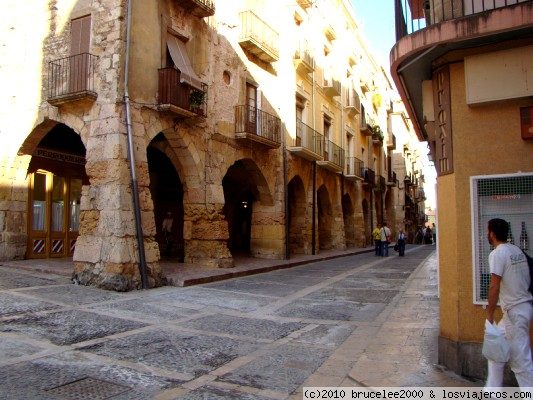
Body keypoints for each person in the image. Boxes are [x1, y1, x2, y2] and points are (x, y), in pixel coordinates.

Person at [485, 218, 533, 388]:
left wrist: (489, 314)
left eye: (487, 231)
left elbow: (494, 285)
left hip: (515, 312)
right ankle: (492, 392)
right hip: (520, 310)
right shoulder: (517, 250)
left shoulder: (498, 253)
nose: (487, 234)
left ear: (492, 233)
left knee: (521, 363)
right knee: (496, 352)